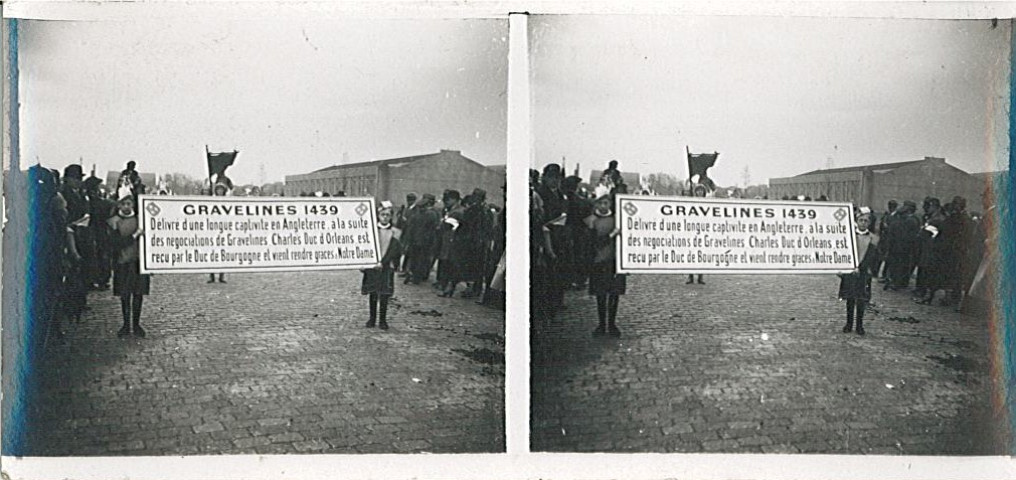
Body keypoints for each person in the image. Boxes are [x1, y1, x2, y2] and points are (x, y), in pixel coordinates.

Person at [585, 185, 625, 337]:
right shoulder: (591, 221)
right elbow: (593, 242)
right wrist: (612, 234)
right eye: (600, 203)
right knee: (601, 295)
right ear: (596, 204)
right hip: (598, 262)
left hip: (614, 262)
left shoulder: (617, 218)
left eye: (606, 203)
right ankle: (601, 324)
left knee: (614, 293)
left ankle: (612, 324)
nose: (603, 206)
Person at [108, 195, 151, 338]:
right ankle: (126, 324)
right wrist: (135, 235)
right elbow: (116, 243)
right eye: (123, 204)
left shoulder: (140, 220)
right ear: (119, 205)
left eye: (129, 203)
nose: (126, 206)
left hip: (138, 262)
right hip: (123, 263)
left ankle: (136, 324)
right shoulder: (114, 222)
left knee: (138, 294)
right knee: (125, 295)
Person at [362, 202, 402, 330]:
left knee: (384, 293)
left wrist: (383, 262)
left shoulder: (395, 232)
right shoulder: (371, 230)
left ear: (391, 217)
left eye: (388, 215)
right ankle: (372, 318)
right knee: (373, 292)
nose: (385, 217)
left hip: (386, 266)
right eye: (382, 215)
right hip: (372, 266)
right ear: (378, 215)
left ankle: (383, 320)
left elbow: (394, 250)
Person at [839, 207, 879, 335]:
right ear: (856, 221)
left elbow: (874, 257)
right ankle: (849, 323)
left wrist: (870, 270)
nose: (863, 223)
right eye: (861, 220)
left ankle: (860, 325)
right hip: (850, 271)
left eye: (866, 221)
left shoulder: (873, 238)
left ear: (869, 223)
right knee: (850, 298)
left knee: (861, 298)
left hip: (863, 272)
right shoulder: (849, 236)